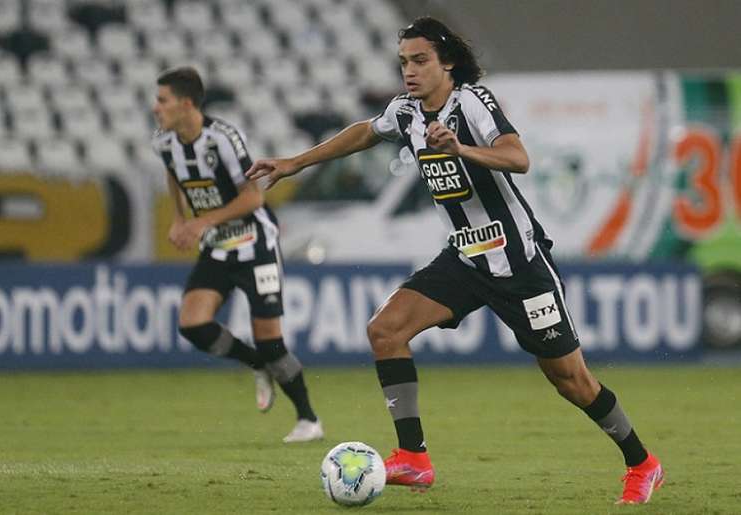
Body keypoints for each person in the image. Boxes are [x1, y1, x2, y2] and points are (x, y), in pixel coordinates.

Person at [247, 17, 663, 503]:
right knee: (386, 330)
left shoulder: (472, 103)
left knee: (571, 380)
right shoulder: (406, 112)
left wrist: (461, 148)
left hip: (518, 262)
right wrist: (295, 162)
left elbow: (518, 157)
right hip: (465, 258)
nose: (410, 71)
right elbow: (364, 131)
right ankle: (414, 458)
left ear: (446, 62)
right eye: (404, 62)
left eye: (420, 61)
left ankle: (643, 463)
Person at [151, 66, 323, 443]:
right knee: (192, 325)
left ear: (186, 103)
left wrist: (201, 223)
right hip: (217, 246)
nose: (155, 108)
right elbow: (172, 175)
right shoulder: (164, 142)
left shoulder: (223, 139)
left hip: (254, 244)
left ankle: (309, 419)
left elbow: (253, 197)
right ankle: (256, 365)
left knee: (272, 343)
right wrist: (180, 218)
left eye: (162, 101)